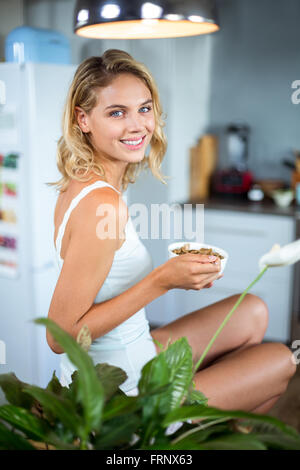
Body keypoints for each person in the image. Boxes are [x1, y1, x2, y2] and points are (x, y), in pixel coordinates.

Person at [47, 49, 296, 414]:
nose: (138, 126)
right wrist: (162, 280)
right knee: (283, 360)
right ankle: (189, 428)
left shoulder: (84, 182)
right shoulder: (103, 204)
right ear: (83, 119)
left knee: (253, 311)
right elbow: (59, 337)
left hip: (132, 346)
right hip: (120, 389)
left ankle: (206, 415)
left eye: (144, 109)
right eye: (117, 113)